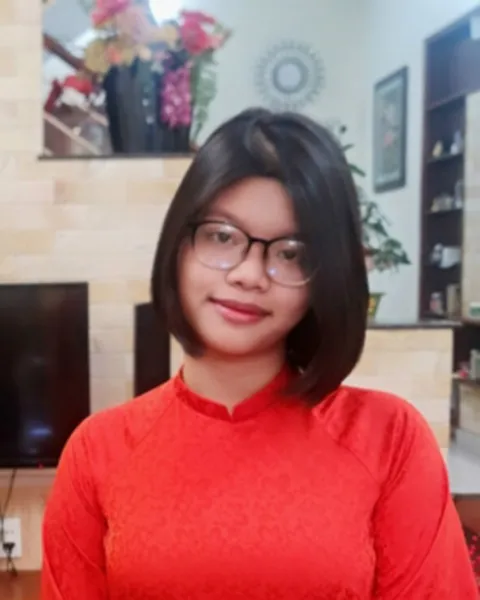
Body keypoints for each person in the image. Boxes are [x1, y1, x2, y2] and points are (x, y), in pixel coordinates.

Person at [41, 108, 478, 599]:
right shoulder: (97, 452)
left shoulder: (388, 438)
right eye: (222, 236)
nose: (249, 274)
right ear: (178, 246)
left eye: (291, 253)